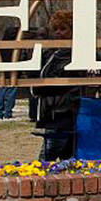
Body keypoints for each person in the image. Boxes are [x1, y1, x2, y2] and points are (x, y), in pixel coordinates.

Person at [34, 11, 83, 160]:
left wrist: (42, 88)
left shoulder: (75, 55)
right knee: (65, 161)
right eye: (55, 29)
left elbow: (65, 82)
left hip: (64, 114)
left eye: (63, 29)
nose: (58, 33)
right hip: (52, 114)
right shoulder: (52, 54)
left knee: (45, 162)